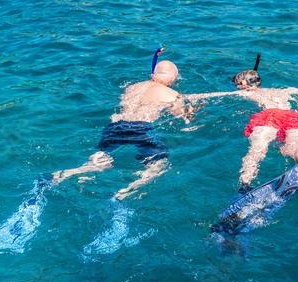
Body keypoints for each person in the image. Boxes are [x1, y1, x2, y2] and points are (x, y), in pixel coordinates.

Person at [52, 57, 242, 199]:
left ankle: (67, 173)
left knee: (99, 163)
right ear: (173, 78)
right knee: (158, 166)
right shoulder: (171, 93)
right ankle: (124, 192)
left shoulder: (132, 87)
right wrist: (196, 111)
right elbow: (186, 121)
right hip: (141, 129)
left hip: (115, 126)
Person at [231, 68, 298, 191]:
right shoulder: (281, 91)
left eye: (236, 84)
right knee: (296, 144)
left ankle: (245, 184)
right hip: (292, 116)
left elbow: (212, 95)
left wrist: (195, 97)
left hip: (270, 116)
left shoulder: (247, 92)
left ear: (243, 84)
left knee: (257, 149)